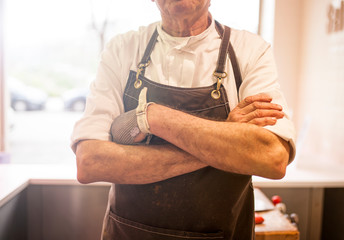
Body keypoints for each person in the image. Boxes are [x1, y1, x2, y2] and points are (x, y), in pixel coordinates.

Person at [71, 0, 296, 239]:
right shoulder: (123, 49)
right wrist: (226, 137)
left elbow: (272, 158)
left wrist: (153, 116)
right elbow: (90, 162)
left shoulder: (249, 50)